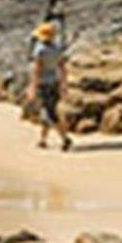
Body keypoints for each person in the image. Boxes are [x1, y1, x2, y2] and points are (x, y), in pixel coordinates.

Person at [28, 20, 71, 152]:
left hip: (43, 84)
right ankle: (42, 140)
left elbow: (37, 70)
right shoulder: (57, 49)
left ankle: (65, 139)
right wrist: (64, 86)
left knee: (51, 113)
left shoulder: (39, 50)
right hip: (54, 82)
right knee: (47, 110)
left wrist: (32, 88)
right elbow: (63, 68)